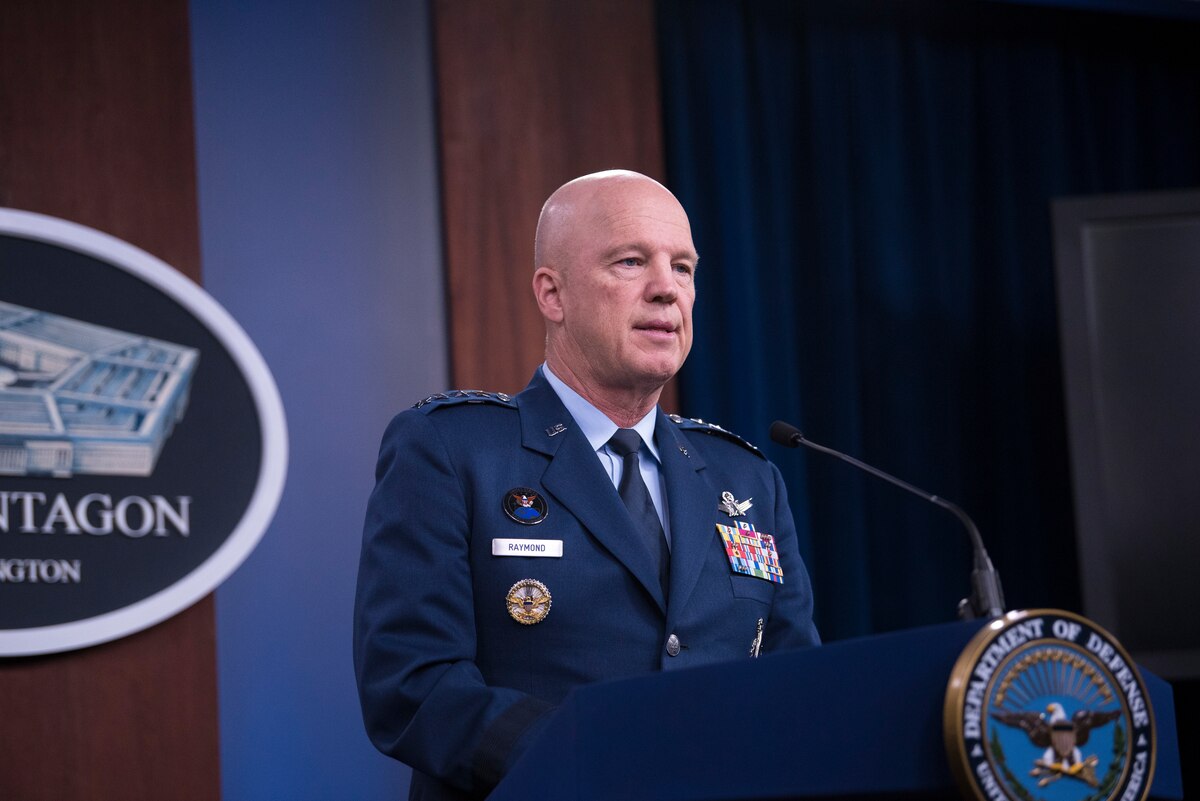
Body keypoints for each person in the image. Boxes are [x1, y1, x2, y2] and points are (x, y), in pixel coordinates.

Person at [354, 170, 819, 801]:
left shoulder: (747, 477)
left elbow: (798, 686)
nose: (666, 291)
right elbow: (412, 685)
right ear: (553, 294)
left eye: (683, 268)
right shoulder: (451, 450)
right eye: (631, 262)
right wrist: (606, 760)